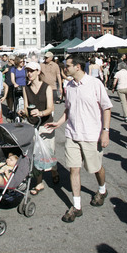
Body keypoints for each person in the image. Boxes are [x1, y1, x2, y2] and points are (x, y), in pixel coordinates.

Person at [45, 54, 112, 223]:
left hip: (91, 134)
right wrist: (59, 123)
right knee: (74, 169)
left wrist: (105, 131)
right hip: (72, 134)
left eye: (67, 65)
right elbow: (68, 109)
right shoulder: (69, 85)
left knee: (96, 168)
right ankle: (76, 206)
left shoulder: (95, 84)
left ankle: (102, 189)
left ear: (78, 67)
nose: (65, 68)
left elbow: (107, 108)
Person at [20, 61, 58, 194]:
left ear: (38, 72)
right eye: (27, 71)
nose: (29, 73)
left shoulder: (46, 87)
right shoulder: (25, 88)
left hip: (46, 124)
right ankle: (39, 183)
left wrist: (40, 113)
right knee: (36, 155)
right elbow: (25, 107)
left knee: (49, 152)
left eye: (32, 71)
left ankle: (54, 170)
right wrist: (23, 112)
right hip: (32, 125)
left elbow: (51, 108)